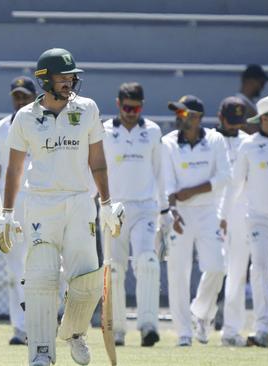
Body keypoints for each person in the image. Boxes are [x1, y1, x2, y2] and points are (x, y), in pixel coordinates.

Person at [0, 48, 123, 366]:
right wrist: (8, 213)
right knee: (40, 278)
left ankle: (75, 333)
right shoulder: (25, 117)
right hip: (41, 203)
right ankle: (40, 349)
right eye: (63, 77)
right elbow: (13, 169)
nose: (69, 82)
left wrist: (105, 203)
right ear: (45, 80)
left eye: (71, 77)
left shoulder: (88, 109)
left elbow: (98, 161)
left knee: (86, 281)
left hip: (80, 202)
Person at [220, 94, 268, 349]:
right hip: (259, 218)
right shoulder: (249, 146)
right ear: (265, 119)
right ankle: (262, 329)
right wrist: (224, 216)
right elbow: (234, 185)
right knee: (260, 269)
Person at [162, 95, 230, 347]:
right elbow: (167, 182)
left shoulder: (215, 140)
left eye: (185, 113)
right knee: (177, 272)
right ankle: (183, 333)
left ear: (198, 117)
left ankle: (200, 313)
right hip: (179, 213)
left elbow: (224, 176)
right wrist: (172, 210)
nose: (179, 118)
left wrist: (192, 191)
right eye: (178, 113)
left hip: (207, 210)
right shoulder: (168, 143)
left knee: (216, 267)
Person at [102, 82, 165, 347]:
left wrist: (165, 210)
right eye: (127, 107)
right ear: (118, 104)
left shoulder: (152, 131)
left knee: (148, 262)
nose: (131, 112)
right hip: (113, 207)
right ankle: (116, 329)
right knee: (114, 269)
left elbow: (160, 172)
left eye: (136, 108)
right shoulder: (104, 130)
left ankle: (149, 326)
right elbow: (95, 168)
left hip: (145, 207)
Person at [0, 75, 36, 346]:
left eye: (25, 96)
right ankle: (21, 329)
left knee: (43, 266)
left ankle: (45, 322)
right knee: (15, 270)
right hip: (9, 206)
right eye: (17, 96)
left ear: (34, 97)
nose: (21, 100)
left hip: (40, 203)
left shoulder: (45, 124)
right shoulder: (0, 129)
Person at [213, 97, 251, 347]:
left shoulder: (249, 143)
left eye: (240, 122)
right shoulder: (209, 140)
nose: (236, 127)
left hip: (240, 213)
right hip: (209, 211)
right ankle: (201, 319)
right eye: (232, 121)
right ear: (221, 117)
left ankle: (231, 330)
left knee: (237, 273)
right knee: (212, 270)